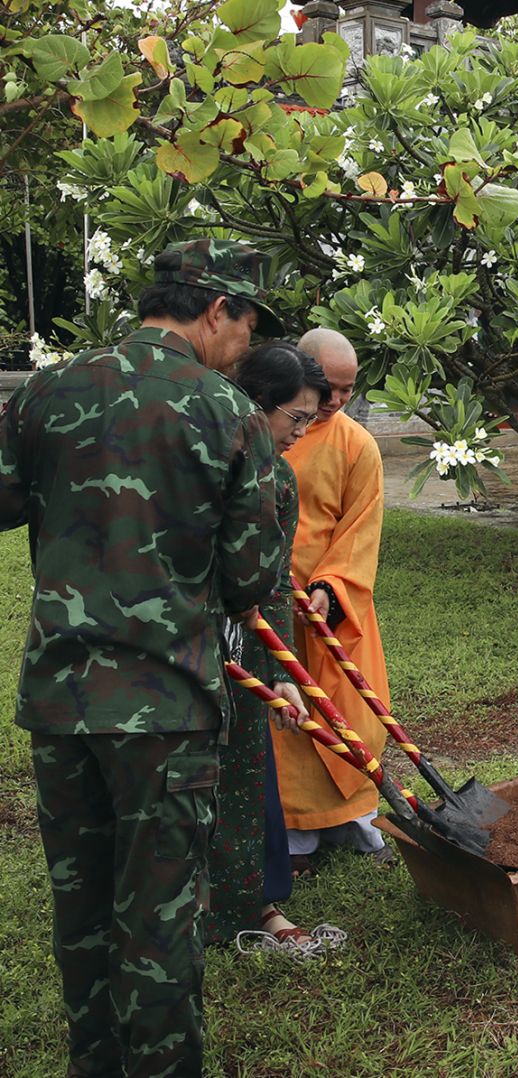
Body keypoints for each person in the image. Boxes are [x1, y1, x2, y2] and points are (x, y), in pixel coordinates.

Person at [0, 239, 283, 1076]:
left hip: (60, 701)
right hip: (164, 708)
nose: (247, 345)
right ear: (217, 309)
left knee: (81, 907)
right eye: (249, 325)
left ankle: (94, 1063)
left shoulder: (47, 389)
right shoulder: (227, 412)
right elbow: (251, 579)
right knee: (159, 919)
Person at [208, 342, 336, 953]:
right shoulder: (198, 462)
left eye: (311, 419)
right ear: (256, 403)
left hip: (245, 649)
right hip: (181, 647)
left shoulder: (280, 478)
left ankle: (253, 901)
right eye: (297, 417)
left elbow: (277, 582)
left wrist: (284, 668)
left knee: (246, 769)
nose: (301, 432)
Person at [272, 328, 393, 872]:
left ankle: (354, 822)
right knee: (286, 724)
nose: (337, 400)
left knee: (350, 715)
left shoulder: (357, 444)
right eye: (329, 388)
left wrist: (329, 587)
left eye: (348, 389)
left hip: (332, 610)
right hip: (271, 606)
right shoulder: (267, 431)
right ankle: (293, 834)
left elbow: (362, 528)